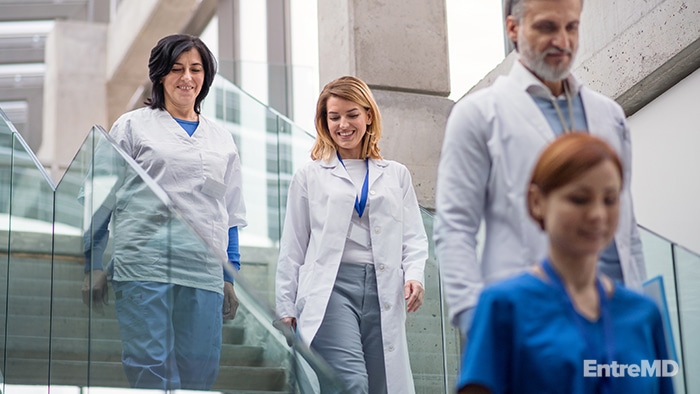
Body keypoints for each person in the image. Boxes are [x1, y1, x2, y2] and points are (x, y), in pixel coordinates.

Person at [434, 0, 646, 336]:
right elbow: (455, 227)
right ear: (513, 29)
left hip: (615, 319)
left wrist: (638, 306)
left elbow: (628, 230)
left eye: (571, 27)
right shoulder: (478, 115)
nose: (563, 41)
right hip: (527, 324)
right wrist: (475, 320)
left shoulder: (610, 115)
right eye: (547, 27)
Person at [80, 34, 247, 390]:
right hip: (144, 264)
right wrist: (93, 263)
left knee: (199, 375)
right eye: (176, 69)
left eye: (196, 69)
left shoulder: (222, 140)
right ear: (160, 75)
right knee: (150, 368)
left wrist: (229, 276)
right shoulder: (132, 126)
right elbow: (99, 199)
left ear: (206, 77)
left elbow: (230, 214)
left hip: (203, 271)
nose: (187, 77)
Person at [457, 133, 674, 394]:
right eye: (579, 199)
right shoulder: (503, 307)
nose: (597, 214)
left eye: (610, 199)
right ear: (537, 202)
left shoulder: (644, 314)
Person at [275, 76, 428, 394]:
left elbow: (413, 236)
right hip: (331, 289)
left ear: (368, 115)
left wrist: (414, 275)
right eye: (334, 117)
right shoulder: (310, 175)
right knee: (350, 383)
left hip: (384, 288)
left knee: (381, 386)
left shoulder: (395, 174)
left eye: (351, 114)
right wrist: (285, 307)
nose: (343, 124)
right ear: (324, 121)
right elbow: (293, 246)